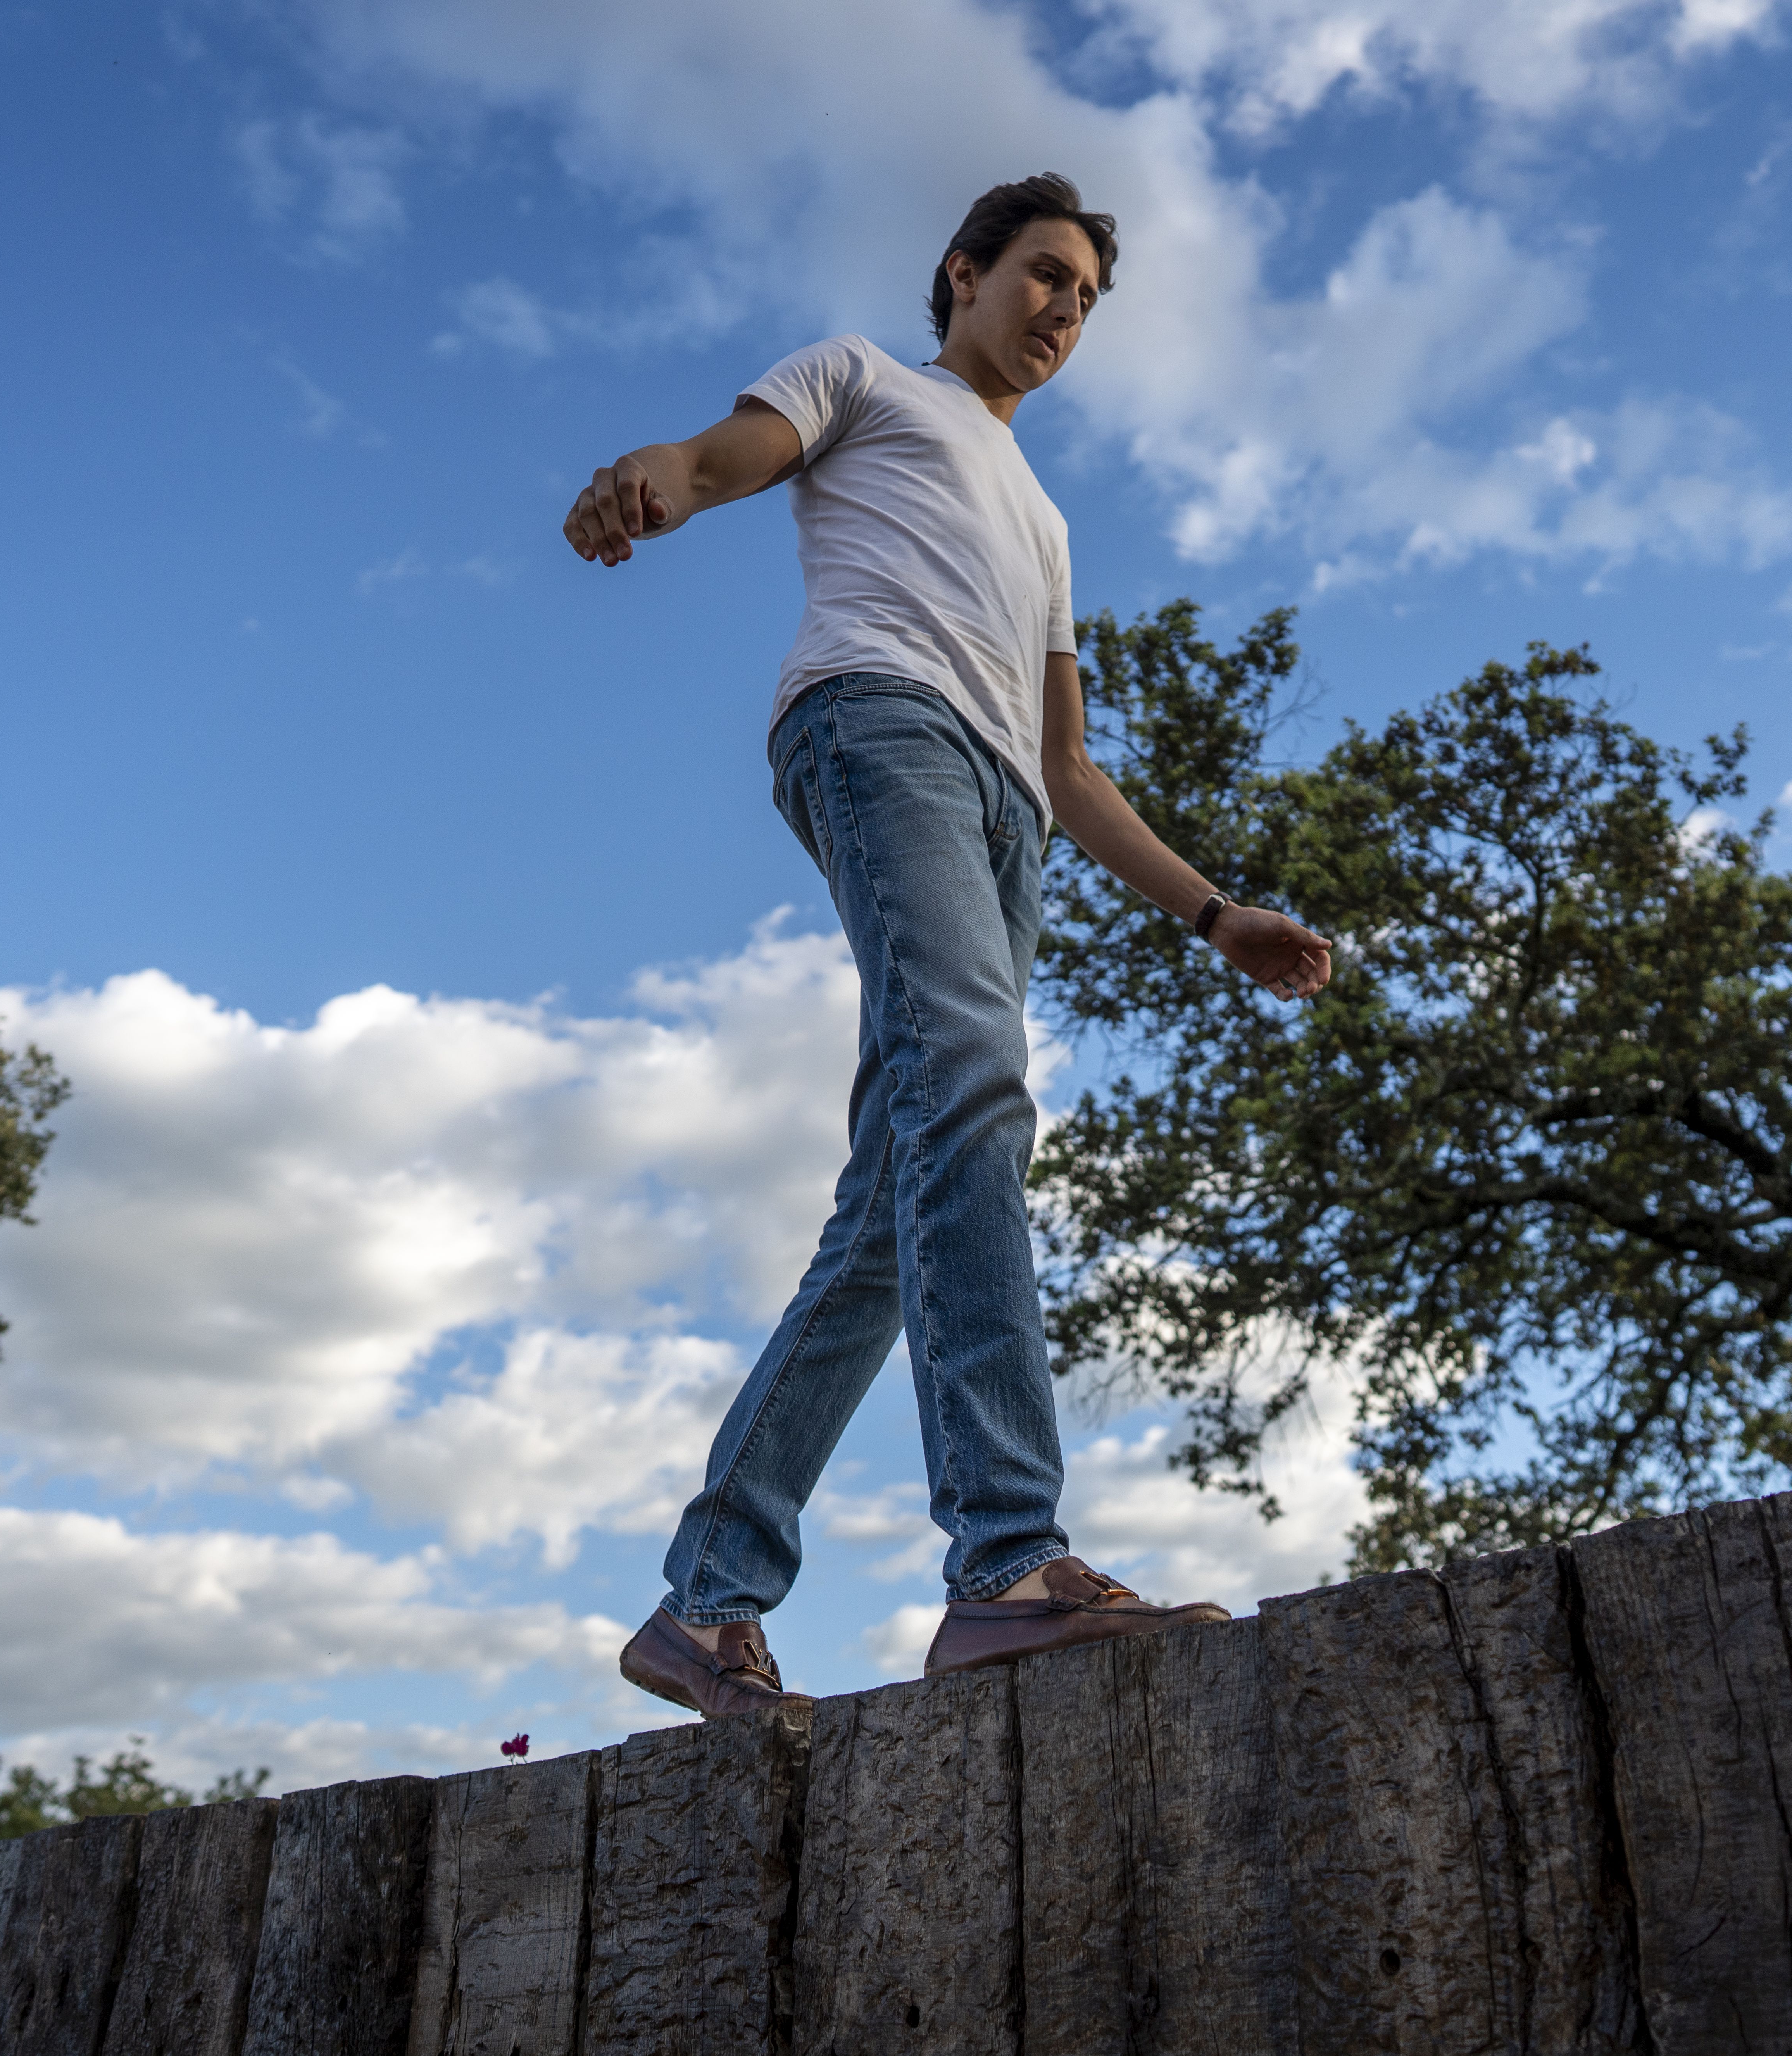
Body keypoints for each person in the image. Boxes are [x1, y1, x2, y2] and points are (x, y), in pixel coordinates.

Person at [562, 174, 1335, 1720]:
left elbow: (1069, 769)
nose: (1064, 311)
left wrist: (1210, 910)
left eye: (1087, 300)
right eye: (1043, 276)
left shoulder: (1043, 522)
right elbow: (724, 457)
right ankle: (1005, 1564)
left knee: (897, 1207)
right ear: (964, 274)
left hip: (1009, 818)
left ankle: (702, 1607)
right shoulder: (857, 377)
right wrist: (655, 475)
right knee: (975, 1084)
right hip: (877, 725)